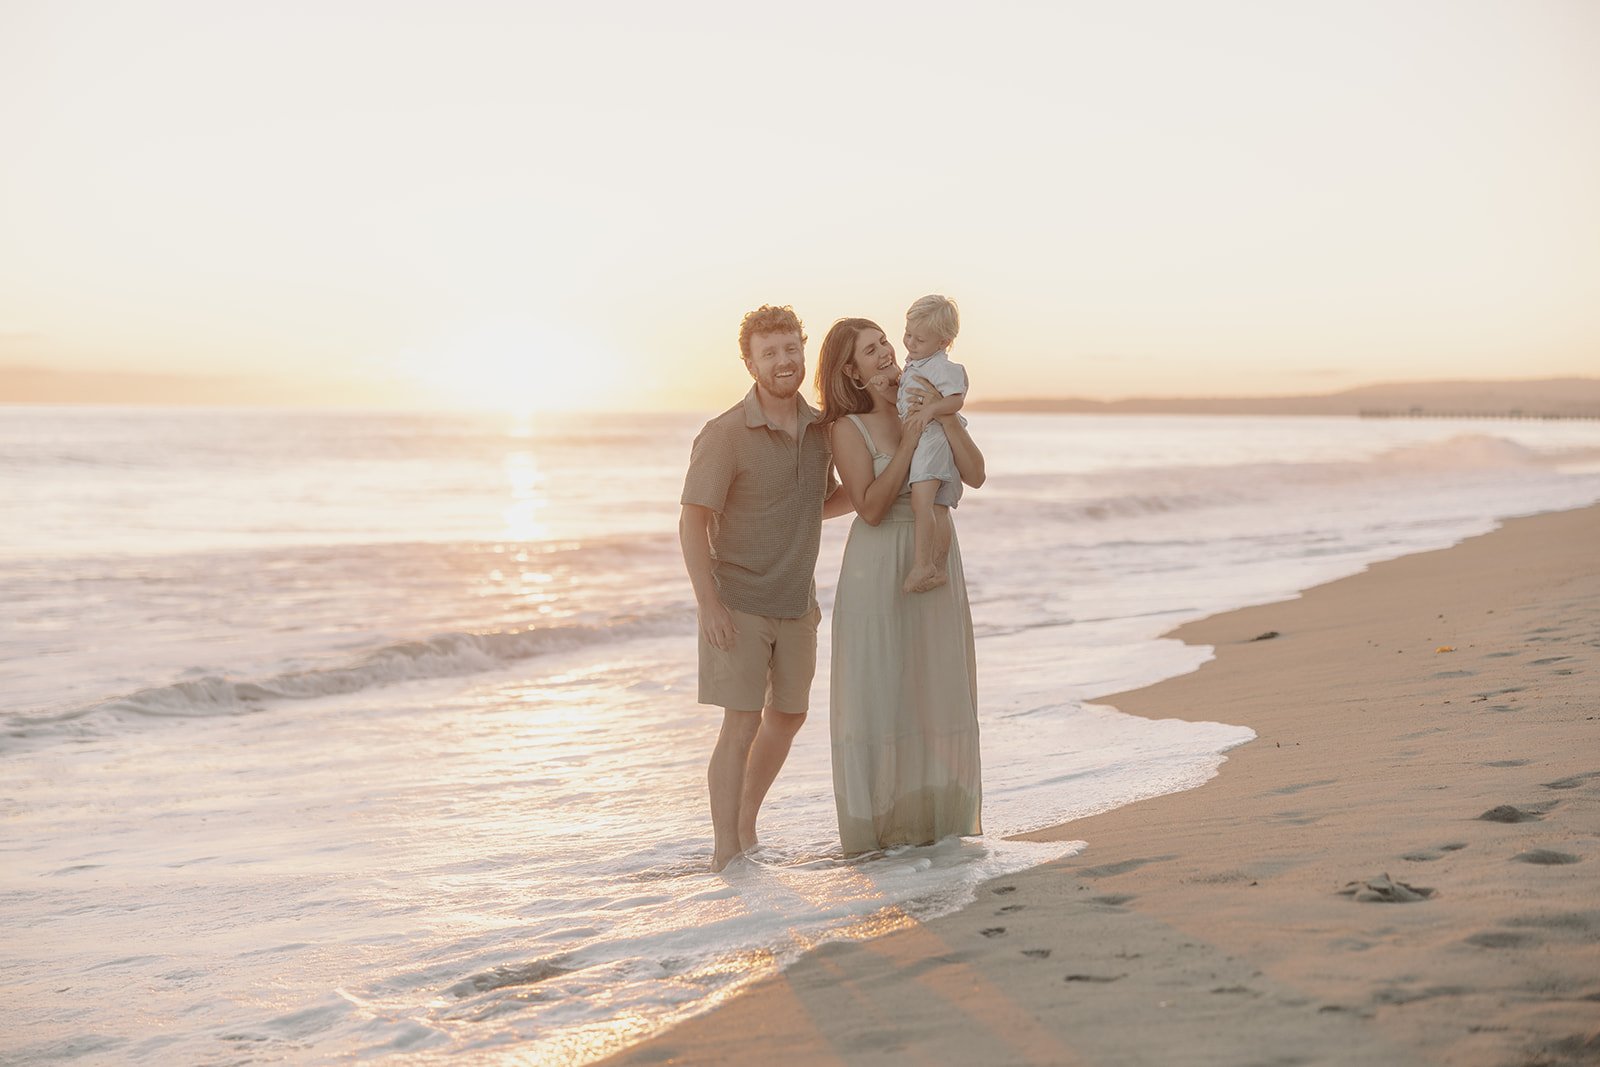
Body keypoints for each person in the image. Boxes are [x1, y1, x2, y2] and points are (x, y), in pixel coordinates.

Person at [680, 304, 851, 871]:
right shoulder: (725, 434)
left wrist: (874, 488)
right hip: (738, 602)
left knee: (790, 715)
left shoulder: (821, 430)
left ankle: (746, 822)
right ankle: (725, 852)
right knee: (741, 722)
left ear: (803, 351)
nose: (783, 361)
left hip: (797, 601)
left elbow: (821, 500)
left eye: (791, 349)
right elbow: (692, 522)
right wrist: (708, 604)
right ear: (750, 363)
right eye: (769, 352)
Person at [814, 316, 986, 855]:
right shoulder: (849, 428)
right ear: (852, 371)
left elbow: (976, 474)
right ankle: (881, 836)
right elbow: (867, 507)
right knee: (882, 692)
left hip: (934, 556)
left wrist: (941, 415)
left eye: (884, 341)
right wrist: (910, 443)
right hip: (879, 563)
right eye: (870, 350)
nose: (886, 351)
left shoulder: (924, 395)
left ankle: (942, 828)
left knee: (937, 687)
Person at [898, 295, 969, 595]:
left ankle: (922, 564)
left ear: (943, 342)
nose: (910, 343)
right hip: (928, 439)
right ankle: (938, 568)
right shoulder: (918, 361)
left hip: (932, 439)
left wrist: (931, 410)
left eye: (920, 339)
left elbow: (956, 400)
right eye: (908, 334)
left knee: (921, 502)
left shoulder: (940, 366)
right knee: (938, 507)